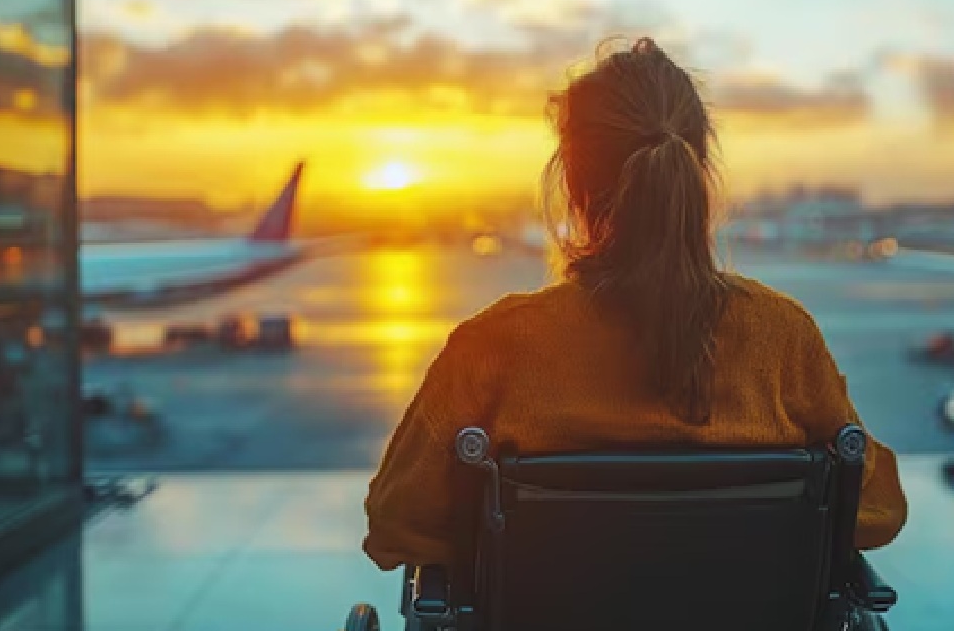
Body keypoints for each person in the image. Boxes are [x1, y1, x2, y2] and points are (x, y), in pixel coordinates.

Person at [363, 38, 907, 575]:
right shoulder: (781, 338)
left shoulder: (495, 349)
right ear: (699, 171)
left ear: (573, 184)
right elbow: (878, 510)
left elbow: (395, 524)